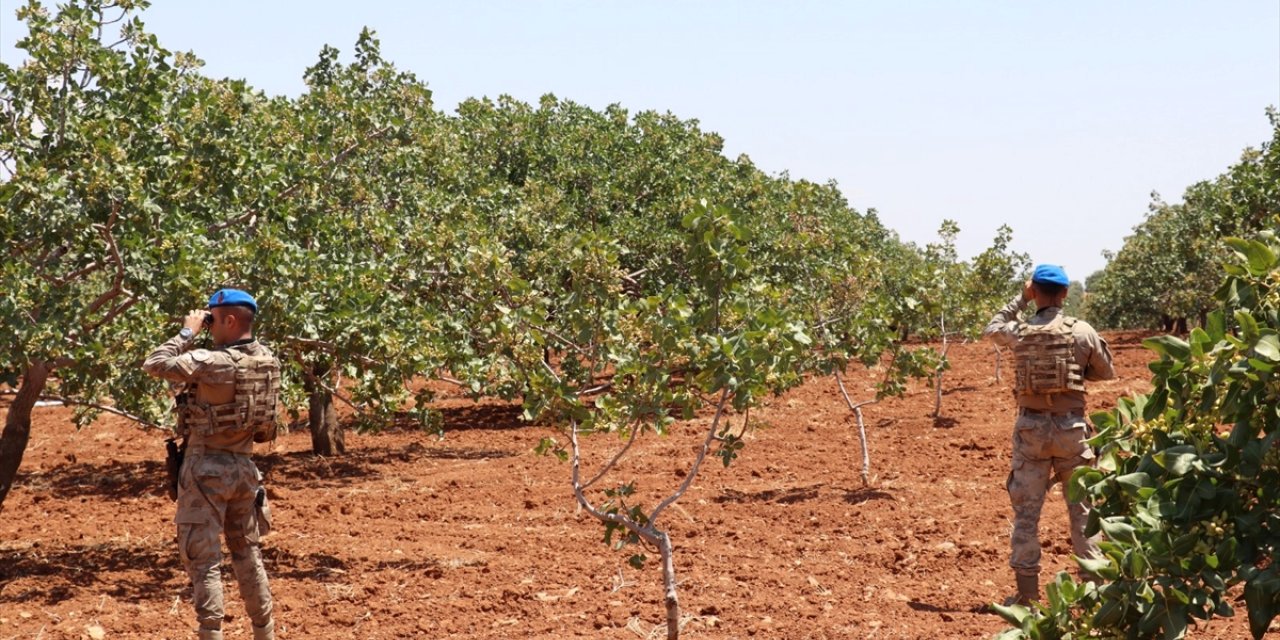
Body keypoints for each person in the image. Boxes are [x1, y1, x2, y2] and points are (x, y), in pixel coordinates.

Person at [143, 288, 281, 640]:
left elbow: (155, 363)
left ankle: (211, 634)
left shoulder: (212, 362)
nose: (209, 325)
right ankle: (264, 632)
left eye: (213, 319)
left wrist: (188, 332)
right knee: (248, 554)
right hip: (245, 470)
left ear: (230, 320)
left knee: (204, 562)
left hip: (206, 470)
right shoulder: (268, 360)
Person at [982, 264, 1116, 606]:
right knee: (1083, 510)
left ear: (1034, 291)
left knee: (1027, 514)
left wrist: (1019, 299)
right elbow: (1105, 372)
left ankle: (1027, 598)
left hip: (1031, 432)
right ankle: (1093, 595)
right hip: (1073, 431)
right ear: (1066, 293)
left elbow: (992, 328)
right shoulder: (1082, 330)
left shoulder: (1020, 330)